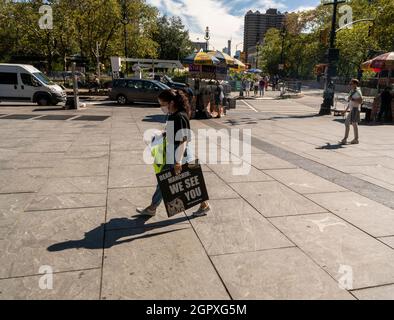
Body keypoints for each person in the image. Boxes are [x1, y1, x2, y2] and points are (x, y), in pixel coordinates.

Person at [137, 89, 211, 217]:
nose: (161, 107)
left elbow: (183, 141)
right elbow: (173, 133)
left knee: (183, 181)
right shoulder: (174, 115)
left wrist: (178, 161)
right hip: (173, 153)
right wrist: (162, 134)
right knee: (169, 181)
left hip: (178, 154)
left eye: (162, 104)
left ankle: (152, 208)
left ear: (171, 103)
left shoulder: (179, 116)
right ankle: (153, 208)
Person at [340, 79, 363, 145]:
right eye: (350, 84)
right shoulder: (352, 91)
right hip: (352, 109)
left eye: (351, 84)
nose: (350, 85)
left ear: (355, 84)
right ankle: (356, 139)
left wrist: (352, 99)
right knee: (354, 124)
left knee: (347, 123)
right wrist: (345, 110)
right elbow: (350, 102)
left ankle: (345, 139)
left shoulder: (358, 91)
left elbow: (361, 101)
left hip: (355, 109)